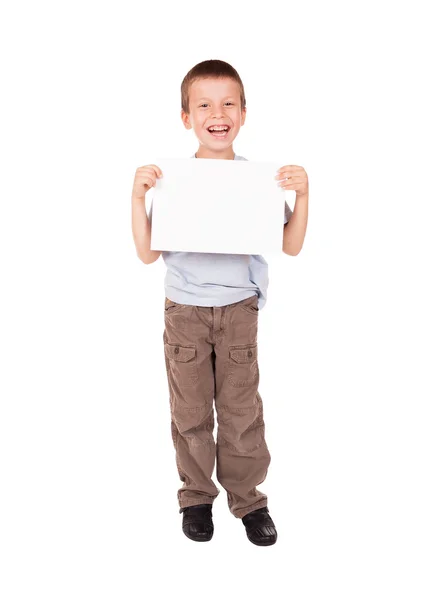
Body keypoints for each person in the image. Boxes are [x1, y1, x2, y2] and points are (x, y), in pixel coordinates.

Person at [131, 59, 309, 545]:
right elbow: (147, 254)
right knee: (190, 411)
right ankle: (195, 497)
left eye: (229, 103)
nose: (218, 113)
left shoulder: (258, 180)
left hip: (238, 312)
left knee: (240, 411)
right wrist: (138, 195)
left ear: (244, 113)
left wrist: (303, 193)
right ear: (186, 117)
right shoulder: (171, 178)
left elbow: (290, 245)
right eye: (204, 104)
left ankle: (249, 500)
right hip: (184, 311)